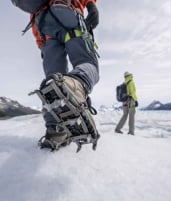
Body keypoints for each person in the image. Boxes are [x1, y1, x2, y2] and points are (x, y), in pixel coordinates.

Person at [14, 0, 100, 149]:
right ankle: (76, 86)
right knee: (88, 64)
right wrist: (91, 5)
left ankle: (55, 131)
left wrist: (43, 45)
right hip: (67, 12)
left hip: (43, 26)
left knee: (53, 84)